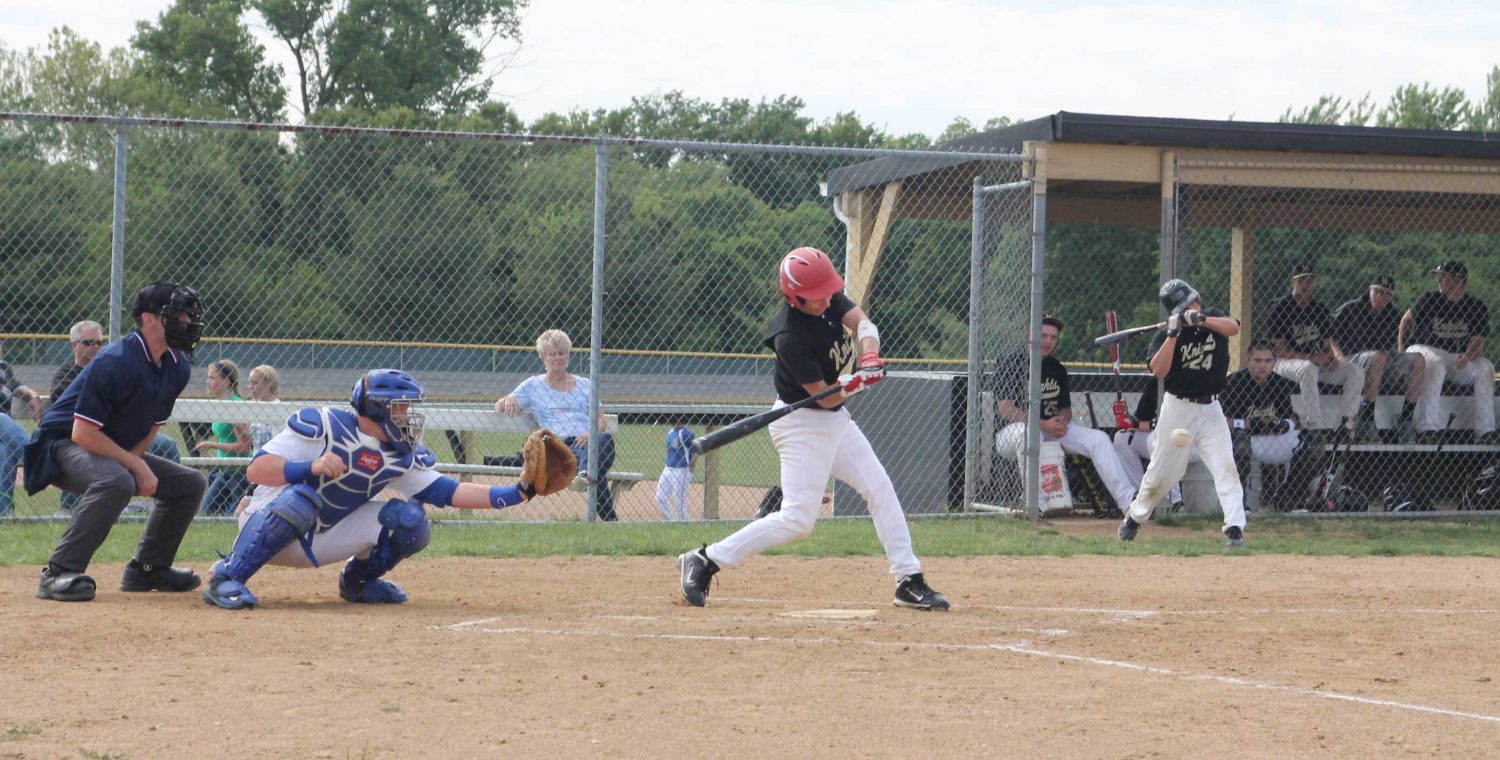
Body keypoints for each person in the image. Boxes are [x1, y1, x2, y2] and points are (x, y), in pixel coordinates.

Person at [677, 247, 948, 611]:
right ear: (795, 296)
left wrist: (869, 356)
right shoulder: (789, 336)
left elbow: (863, 325)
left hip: (834, 421)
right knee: (798, 520)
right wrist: (857, 383)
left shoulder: (825, 294)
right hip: (801, 422)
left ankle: (908, 579)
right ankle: (705, 559)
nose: (826, 300)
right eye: (816, 297)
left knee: (878, 487)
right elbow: (825, 398)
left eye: (827, 293)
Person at [202, 369, 542, 610]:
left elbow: (450, 492)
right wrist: (311, 467)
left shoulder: (397, 454)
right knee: (303, 497)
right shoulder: (324, 425)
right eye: (402, 408)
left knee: (411, 519)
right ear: (378, 408)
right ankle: (229, 576)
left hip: (322, 537)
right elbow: (257, 469)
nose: (408, 417)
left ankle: (359, 583)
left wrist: (521, 491)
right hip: (265, 524)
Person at [25, 281, 208, 602]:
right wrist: (134, 464)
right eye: (179, 314)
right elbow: (81, 433)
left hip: (107, 447)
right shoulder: (116, 360)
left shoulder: (176, 366)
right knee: (116, 480)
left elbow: (151, 426)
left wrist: (134, 461)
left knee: (189, 483)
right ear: (149, 319)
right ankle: (57, 573)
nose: (187, 322)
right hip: (61, 446)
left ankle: (148, 569)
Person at [1118, 279, 1246, 548]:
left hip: (1211, 408)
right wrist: (1173, 334)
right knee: (1164, 473)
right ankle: (1135, 517)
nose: (1192, 308)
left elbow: (1233, 327)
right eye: (1185, 307)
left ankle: (1234, 528)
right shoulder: (1167, 334)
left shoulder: (1213, 317)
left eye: (1193, 303)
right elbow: (1159, 371)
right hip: (1178, 409)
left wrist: (1200, 319)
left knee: (1225, 466)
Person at [994, 315, 1143, 514]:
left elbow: (1066, 408)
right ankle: (1036, 505)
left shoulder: (1057, 369)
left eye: (1053, 337)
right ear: (1029, 335)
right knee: (1030, 434)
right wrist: (1043, 424)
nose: (1048, 341)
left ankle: (1128, 501)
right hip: (1012, 433)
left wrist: (1062, 421)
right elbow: (1005, 408)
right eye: (1043, 335)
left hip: (1051, 430)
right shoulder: (1011, 363)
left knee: (1099, 439)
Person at [51, 320, 183, 515]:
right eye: (88, 342)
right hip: (88, 435)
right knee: (83, 450)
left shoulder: (112, 368)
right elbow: (77, 419)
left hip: (122, 433)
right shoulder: (66, 375)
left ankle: (167, 507)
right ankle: (72, 507)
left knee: (166, 445)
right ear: (74, 345)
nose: (95, 347)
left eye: (99, 343)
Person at [495, 329, 617, 521]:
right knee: (597, 467)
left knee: (604, 440)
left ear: (568, 355)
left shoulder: (585, 385)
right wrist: (508, 398)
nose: (558, 358)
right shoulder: (533, 386)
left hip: (587, 441)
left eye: (562, 353)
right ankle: (608, 516)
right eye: (552, 354)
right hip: (558, 446)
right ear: (543, 358)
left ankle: (584, 475)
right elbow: (500, 406)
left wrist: (590, 434)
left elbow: (600, 420)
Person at [1262, 261, 1364, 439]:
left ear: (1315, 283)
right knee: (1308, 368)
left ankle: (1346, 425)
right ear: (1292, 282)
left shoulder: (1320, 309)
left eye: (1310, 280)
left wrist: (1331, 358)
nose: (1306, 284)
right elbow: (1280, 350)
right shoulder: (1280, 307)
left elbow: (1326, 344)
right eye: (1301, 280)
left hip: (1314, 363)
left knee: (1356, 371)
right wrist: (1316, 358)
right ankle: (1314, 426)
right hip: (1282, 363)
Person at [1398, 260, 1496, 444]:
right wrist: (1402, 351)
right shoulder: (1429, 299)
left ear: (1458, 280)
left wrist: (1467, 357)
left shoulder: (1475, 306)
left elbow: (1478, 342)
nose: (1439, 280)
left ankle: (1485, 432)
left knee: (1485, 367)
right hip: (1423, 348)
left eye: (1443, 277)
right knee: (1435, 363)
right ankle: (1427, 430)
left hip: (1454, 356)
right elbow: (1405, 321)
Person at [1219, 340, 1319, 511]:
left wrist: (1282, 424)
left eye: (1267, 361)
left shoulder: (1279, 383)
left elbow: (1292, 418)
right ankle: (1238, 504)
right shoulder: (1233, 382)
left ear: (1274, 362)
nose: (1262, 366)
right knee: (1240, 442)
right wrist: (1251, 424)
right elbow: (1223, 421)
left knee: (1315, 443)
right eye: (1257, 360)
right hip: (1244, 439)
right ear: (1248, 361)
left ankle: (1287, 498)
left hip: (1272, 439)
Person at [1331, 274, 1425, 443]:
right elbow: (1327, 334)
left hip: (1382, 362)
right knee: (1379, 357)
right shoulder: (1351, 308)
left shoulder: (1393, 315)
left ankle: (1405, 417)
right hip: (1352, 360)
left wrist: (1401, 349)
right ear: (1370, 290)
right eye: (1377, 291)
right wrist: (1337, 354)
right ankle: (1366, 420)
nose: (1381, 297)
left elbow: (1405, 335)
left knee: (1418, 359)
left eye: (1386, 293)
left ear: (1391, 296)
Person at [1110, 386, 1184, 512]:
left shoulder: (1183, 384)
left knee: (1164, 439)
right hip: (1160, 440)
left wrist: (1134, 424)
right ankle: (1143, 499)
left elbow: (1173, 426)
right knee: (1122, 438)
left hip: (1189, 443)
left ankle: (1175, 502)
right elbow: (1141, 421)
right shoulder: (1155, 385)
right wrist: (1126, 417)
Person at [195, 359, 252, 515]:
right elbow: (226, 438)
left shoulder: (235, 406)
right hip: (224, 470)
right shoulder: (220, 404)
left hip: (238, 472)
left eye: (212, 378)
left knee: (233, 516)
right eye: (208, 377)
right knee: (205, 513)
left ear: (226, 382)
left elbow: (245, 447)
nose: (208, 382)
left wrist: (212, 445)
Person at [0, 346, 44, 516]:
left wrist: (32, 395)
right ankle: (39, 461)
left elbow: (17, 386)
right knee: (2, 418)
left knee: (5, 450)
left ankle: (3, 513)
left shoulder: (3, 367)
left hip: (3, 437)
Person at [234, 364, 282, 516]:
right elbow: (254, 440)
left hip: (272, 467)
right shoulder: (255, 408)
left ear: (268, 383)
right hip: (258, 466)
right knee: (249, 510)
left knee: (241, 511)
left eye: (255, 383)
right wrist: (239, 428)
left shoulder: (278, 408)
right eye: (250, 383)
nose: (251, 387)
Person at [656, 420, 695, 521]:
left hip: (681, 470)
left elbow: (695, 452)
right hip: (668, 468)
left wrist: (691, 469)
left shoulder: (687, 433)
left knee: (679, 500)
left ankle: (684, 524)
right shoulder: (670, 432)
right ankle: (670, 521)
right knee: (660, 497)